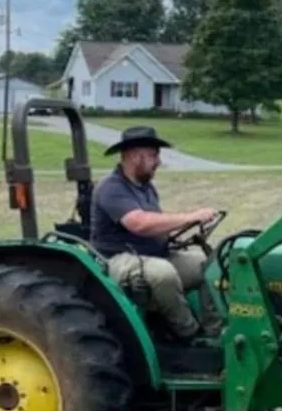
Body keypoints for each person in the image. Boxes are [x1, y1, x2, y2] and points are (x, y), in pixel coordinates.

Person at [89, 125, 222, 341]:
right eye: (153, 155)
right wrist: (191, 216)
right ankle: (189, 334)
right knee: (162, 274)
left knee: (212, 263)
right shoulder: (111, 187)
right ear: (134, 156)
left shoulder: (146, 187)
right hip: (116, 259)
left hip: (153, 253)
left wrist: (175, 235)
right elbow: (139, 223)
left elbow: (156, 223)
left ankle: (215, 330)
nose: (159, 161)